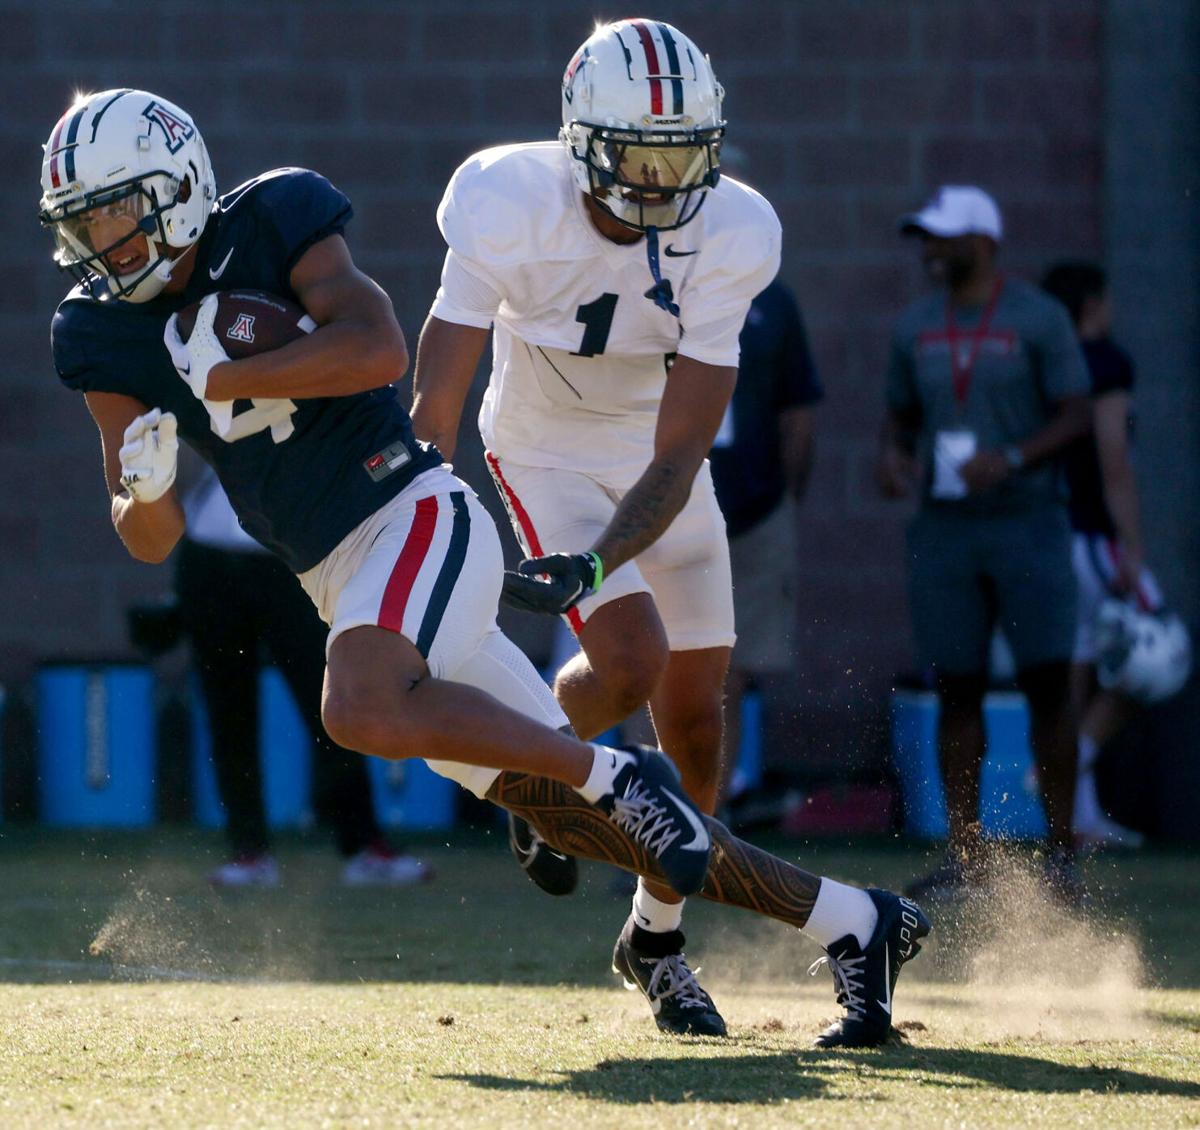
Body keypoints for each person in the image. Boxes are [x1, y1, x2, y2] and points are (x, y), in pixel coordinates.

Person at [41, 85, 928, 1049]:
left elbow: (377, 348)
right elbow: (150, 535)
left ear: (175, 187)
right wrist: (148, 483)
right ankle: (855, 920)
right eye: (83, 226)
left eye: (116, 215)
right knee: (574, 818)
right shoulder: (96, 332)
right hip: (336, 572)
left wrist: (234, 375)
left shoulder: (273, 215)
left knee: (359, 708)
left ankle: (613, 766)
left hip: (410, 512)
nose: (103, 244)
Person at [411, 18, 788, 1035]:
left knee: (699, 715)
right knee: (628, 660)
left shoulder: (737, 229)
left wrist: (594, 559)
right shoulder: (504, 199)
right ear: (582, 139)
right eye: (640, 154)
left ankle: (655, 937)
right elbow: (441, 386)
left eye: (683, 153)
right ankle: (539, 777)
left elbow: (678, 453)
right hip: (538, 446)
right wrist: (418, 511)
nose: (663, 179)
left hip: (655, 457)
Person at [876, 186, 1092, 901]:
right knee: (955, 689)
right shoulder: (914, 326)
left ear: (985, 241)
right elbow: (899, 418)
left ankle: (1061, 856)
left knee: (1047, 687)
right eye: (926, 240)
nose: (931, 251)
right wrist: (893, 459)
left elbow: (1076, 413)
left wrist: (1017, 457)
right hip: (945, 529)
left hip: (1026, 522)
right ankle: (967, 860)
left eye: (944, 238)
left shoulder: (1038, 316)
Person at [179, 466, 432, 887]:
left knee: (331, 703)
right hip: (209, 554)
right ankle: (248, 850)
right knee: (228, 711)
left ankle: (363, 842)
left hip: (291, 557)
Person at [1040, 261, 1185, 848]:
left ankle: (1077, 810)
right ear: (1094, 305)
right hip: (1091, 536)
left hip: (1046, 533)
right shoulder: (1102, 361)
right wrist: (1131, 546)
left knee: (1073, 670)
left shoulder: (1042, 358)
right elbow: (1113, 458)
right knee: (1162, 657)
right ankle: (1077, 761)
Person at [709, 276, 822, 803]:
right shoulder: (647, 280)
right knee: (652, 669)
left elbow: (798, 409)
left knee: (727, 675)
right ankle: (648, 820)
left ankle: (702, 820)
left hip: (750, 513)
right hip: (659, 514)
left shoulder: (773, 300)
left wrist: (781, 501)